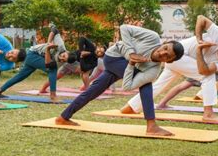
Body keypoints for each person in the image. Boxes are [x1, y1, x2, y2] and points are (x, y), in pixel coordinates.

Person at [55, 24, 185, 136]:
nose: (162, 53)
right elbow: (124, 28)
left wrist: (131, 63)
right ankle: (151, 125)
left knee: (93, 91)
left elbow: (127, 86)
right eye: (165, 48)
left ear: (169, 61)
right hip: (114, 56)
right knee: (147, 86)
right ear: (164, 43)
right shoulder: (153, 38)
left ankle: (63, 116)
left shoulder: (153, 71)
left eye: (167, 56)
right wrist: (131, 53)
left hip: (122, 66)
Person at [121, 15, 218, 122]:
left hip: (177, 62)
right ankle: (208, 113)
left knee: (161, 85)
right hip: (176, 54)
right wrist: (199, 39)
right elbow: (201, 18)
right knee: (208, 77)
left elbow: (204, 70)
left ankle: (131, 107)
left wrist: (199, 50)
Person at [0, 25, 76, 102]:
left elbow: (47, 63)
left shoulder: (62, 60)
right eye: (63, 56)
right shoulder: (60, 45)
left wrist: (48, 49)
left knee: (20, 76)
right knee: (52, 69)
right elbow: (54, 30)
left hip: (32, 58)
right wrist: (48, 43)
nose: (61, 58)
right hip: (33, 54)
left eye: (63, 60)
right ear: (67, 52)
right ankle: (53, 96)